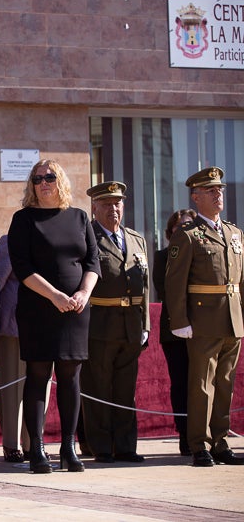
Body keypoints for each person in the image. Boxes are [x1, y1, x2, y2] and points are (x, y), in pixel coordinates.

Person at [7, 159, 100, 474]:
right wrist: (54, 296)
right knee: (38, 376)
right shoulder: (24, 219)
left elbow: (92, 261)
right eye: (37, 179)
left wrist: (83, 294)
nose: (43, 183)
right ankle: (37, 449)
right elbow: (22, 268)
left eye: (49, 177)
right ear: (31, 185)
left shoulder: (79, 217)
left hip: (75, 311)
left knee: (71, 378)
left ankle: (68, 448)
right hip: (38, 309)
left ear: (60, 180)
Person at [164, 166, 244, 467]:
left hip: (232, 319)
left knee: (225, 383)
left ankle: (221, 440)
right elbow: (175, 283)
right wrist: (180, 321)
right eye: (211, 190)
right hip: (202, 320)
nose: (218, 194)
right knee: (201, 385)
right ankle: (200, 444)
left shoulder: (235, 233)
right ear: (196, 197)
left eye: (219, 189)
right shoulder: (187, 236)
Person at [82, 181, 149, 464]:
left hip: (130, 326)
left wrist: (144, 324)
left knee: (125, 389)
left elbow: (144, 287)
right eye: (107, 204)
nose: (114, 209)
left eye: (118, 203)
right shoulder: (87, 238)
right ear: (94, 207)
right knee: (97, 386)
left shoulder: (135, 239)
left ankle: (125, 446)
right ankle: (100, 447)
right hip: (99, 325)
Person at [0, 233, 50, 463]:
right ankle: (12, 443)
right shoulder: (10, 240)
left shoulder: (54, 238)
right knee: (12, 386)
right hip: (13, 325)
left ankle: (34, 442)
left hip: (45, 325)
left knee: (41, 385)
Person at [152, 208, 196, 457]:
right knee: (181, 383)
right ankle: (184, 434)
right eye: (179, 227)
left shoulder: (200, 254)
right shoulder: (162, 257)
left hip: (203, 328)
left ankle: (203, 434)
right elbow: (164, 291)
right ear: (170, 233)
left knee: (200, 383)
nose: (184, 230)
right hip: (174, 331)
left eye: (189, 225)